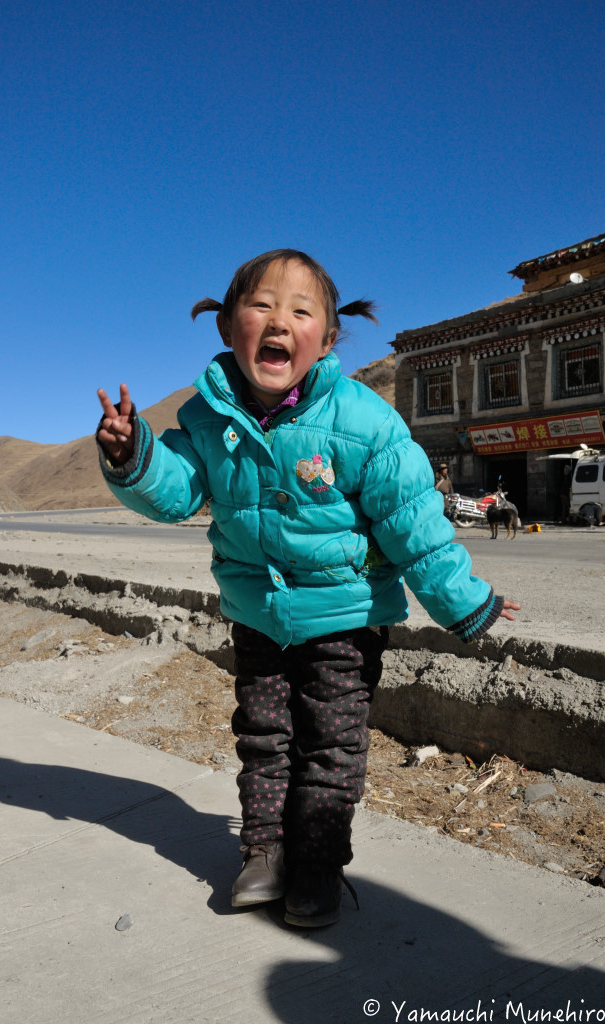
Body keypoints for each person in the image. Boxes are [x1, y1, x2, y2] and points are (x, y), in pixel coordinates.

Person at [96, 248, 520, 929]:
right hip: (257, 616)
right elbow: (175, 496)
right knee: (264, 738)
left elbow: (412, 521)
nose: (278, 320)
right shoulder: (206, 420)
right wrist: (131, 455)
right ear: (227, 326)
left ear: (326, 337)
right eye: (260, 305)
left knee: (330, 744)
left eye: (300, 311)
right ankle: (263, 853)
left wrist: (462, 599)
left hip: (344, 618)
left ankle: (317, 864)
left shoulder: (364, 420)